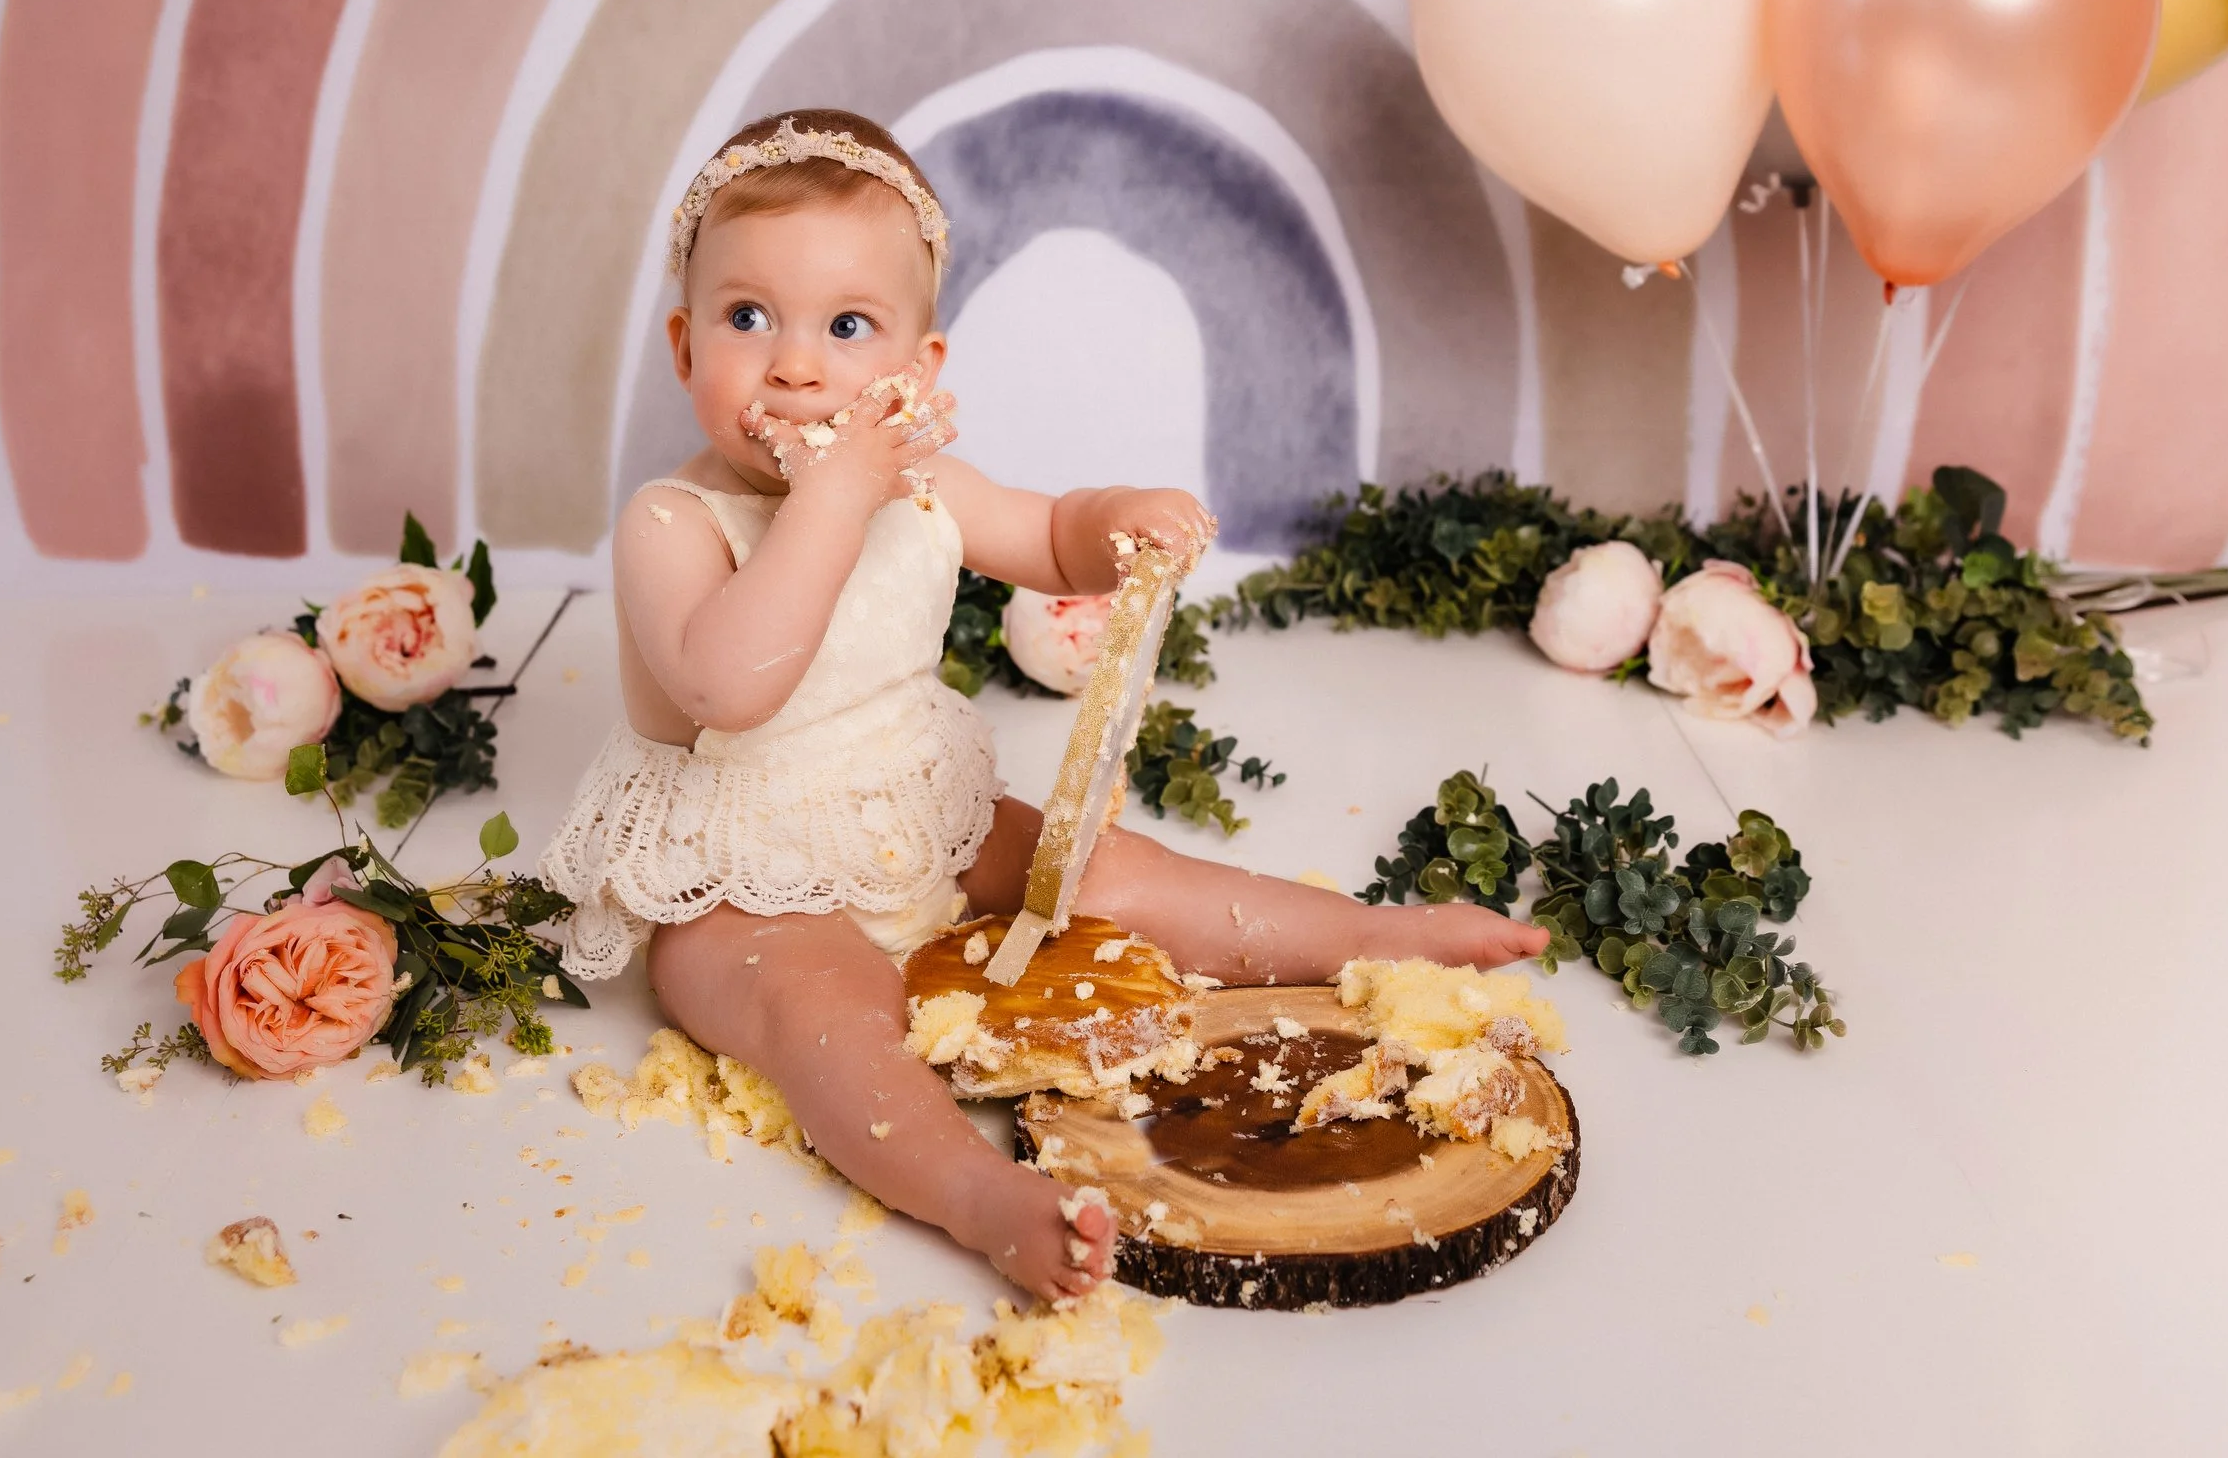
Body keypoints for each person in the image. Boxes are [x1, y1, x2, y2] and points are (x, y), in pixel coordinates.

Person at [540, 109, 1548, 1303]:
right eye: (746, 317)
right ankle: (984, 1198)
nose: (796, 364)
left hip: (913, 808)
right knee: (832, 1019)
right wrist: (833, 494)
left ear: (920, 374)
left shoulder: (921, 482)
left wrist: (1117, 516)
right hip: (738, 878)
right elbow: (731, 681)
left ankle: (1377, 938)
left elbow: (1045, 534)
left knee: (1110, 870)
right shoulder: (671, 522)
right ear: (682, 343)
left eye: (848, 325)